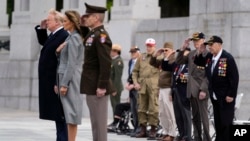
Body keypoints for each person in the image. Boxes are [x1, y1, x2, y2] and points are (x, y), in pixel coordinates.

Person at [194, 36, 239, 141]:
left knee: (225, 123)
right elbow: (198, 62)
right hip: (215, 96)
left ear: (219, 45)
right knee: (218, 123)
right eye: (208, 45)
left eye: (212, 44)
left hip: (226, 97)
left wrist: (231, 94)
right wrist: (200, 51)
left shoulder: (228, 58)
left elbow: (234, 78)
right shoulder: (210, 57)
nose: (209, 47)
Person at [80, 3, 113, 141]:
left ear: (96, 18)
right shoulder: (93, 33)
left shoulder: (101, 35)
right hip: (91, 84)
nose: (85, 18)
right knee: (95, 122)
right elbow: (87, 40)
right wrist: (82, 25)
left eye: (88, 16)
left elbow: (105, 62)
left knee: (99, 123)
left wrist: (102, 86)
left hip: (97, 86)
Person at [34, 9, 68, 141]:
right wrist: (42, 29)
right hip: (49, 81)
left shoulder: (63, 35)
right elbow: (45, 44)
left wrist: (57, 82)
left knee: (60, 114)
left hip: (56, 81)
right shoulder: (55, 35)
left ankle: (63, 139)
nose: (46, 22)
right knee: (56, 114)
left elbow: (63, 62)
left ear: (58, 22)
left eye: (49, 20)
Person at [54, 10, 84, 141]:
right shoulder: (70, 37)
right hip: (66, 77)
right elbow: (65, 59)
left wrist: (64, 84)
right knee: (68, 115)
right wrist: (58, 51)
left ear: (72, 23)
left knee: (71, 114)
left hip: (70, 79)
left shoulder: (74, 38)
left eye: (65, 21)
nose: (63, 23)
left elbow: (71, 64)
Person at [176, 32, 211, 141]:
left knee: (204, 117)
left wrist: (203, 89)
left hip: (201, 89)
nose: (196, 43)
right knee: (195, 117)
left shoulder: (208, 54)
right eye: (194, 41)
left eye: (198, 40)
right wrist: (183, 47)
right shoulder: (191, 54)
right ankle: (197, 137)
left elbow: (208, 74)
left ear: (203, 40)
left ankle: (206, 138)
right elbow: (179, 61)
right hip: (191, 89)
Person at [161, 48, 192, 141]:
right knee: (178, 115)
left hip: (185, 93)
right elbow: (165, 67)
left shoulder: (190, 65)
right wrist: (167, 56)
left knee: (185, 115)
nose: (182, 55)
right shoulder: (177, 65)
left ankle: (187, 135)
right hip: (176, 92)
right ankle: (181, 134)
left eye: (184, 53)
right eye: (180, 54)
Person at [132, 38, 160, 139]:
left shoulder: (158, 56)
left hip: (153, 85)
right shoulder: (141, 57)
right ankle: (143, 129)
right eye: (147, 46)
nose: (149, 48)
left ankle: (153, 129)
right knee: (141, 108)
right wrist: (135, 83)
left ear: (154, 46)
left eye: (151, 46)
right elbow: (135, 71)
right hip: (142, 85)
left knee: (154, 108)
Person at [150, 42, 177, 141]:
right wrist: (156, 54)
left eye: (167, 50)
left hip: (168, 88)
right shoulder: (163, 60)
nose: (165, 52)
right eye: (164, 50)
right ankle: (166, 132)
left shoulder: (174, 60)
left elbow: (174, 77)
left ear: (172, 51)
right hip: (161, 88)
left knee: (170, 112)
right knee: (162, 113)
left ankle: (172, 134)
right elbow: (152, 63)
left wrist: (172, 92)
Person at [124, 46, 140, 136]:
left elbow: (140, 76)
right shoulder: (130, 61)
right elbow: (130, 74)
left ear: (138, 52)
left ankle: (139, 127)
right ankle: (135, 127)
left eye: (134, 52)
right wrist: (127, 83)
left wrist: (133, 85)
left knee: (138, 108)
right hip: (131, 87)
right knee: (133, 108)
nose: (132, 54)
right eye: (131, 52)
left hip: (137, 87)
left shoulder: (140, 61)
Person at [110, 44, 124, 115]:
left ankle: (117, 121)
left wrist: (115, 89)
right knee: (113, 105)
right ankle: (115, 120)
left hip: (115, 87)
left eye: (111, 50)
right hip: (112, 86)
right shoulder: (113, 60)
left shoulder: (118, 62)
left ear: (116, 51)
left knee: (116, 105)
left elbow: (117, 77)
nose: (110, 52)